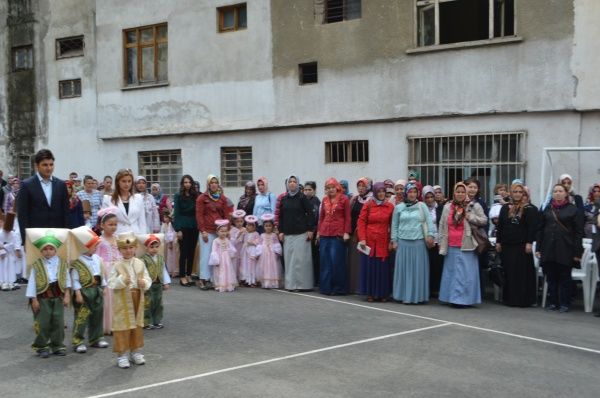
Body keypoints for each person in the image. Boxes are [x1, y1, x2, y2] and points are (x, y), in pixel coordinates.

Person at [438, 182, 488, 308]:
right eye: (458, 191)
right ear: (454, 193)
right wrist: (440, 241)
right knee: (451, 273)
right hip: (450, 244)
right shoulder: (447, 207)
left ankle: (463, 300)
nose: (460, 194)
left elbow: (484, 220)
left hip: (467, 244)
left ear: (466, 193)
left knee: (465, 274)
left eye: (462, 192)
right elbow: (442, 224)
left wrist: (469, 216)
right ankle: (451, 298)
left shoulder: (473, 205)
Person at [536, 184, 584, 313]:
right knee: (551, 277)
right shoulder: (547, 209)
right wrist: (538, 248)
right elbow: (540, 229)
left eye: (560, 191)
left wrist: (577, 252)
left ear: (566, 194)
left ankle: (564, 303)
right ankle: (553, 302)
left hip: (565, 249)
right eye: (555, 191)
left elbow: (579, 233)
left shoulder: (573, 210)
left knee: (564, 277)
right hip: (548, 248)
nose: (557, 193)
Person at [107, 232, 152, 369]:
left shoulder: (140, 263)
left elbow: (147, 278)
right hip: (123, 301)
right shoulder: (116, 265)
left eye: (131, 247)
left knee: (137, 325)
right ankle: (122, 355)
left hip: (137, 297)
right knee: (123, 327)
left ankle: (135, 351)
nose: (128, 251)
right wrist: (121, 280)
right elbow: (110, 282)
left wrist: (144, 282)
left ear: (135, 248)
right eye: (125, 248)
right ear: (119, 250)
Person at [25, 228, 71, 358]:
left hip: (58, 297)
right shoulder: (37, 265)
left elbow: (67, 279)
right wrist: (33, 299)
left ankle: (57, 345)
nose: (48, 251)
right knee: (43, 322)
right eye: (45, 249)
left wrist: (67, 294)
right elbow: (32, 283)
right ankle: (42, 346)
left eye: (51, 249)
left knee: (58, 322)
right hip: (43, 298)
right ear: (41, 251)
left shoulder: (62, 263)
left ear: (56, 250)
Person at [495, 182, 539, 307]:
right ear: (511, 193)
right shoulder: (505, 208)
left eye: (520, 192)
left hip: (522, 245)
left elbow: (532, 228)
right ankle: (510, 299)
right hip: (507, 245)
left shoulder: (529, 209)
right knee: (509, 272)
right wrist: (498, 241)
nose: (518, 194)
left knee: (522, 273)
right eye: (515, 192)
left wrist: (529, 243)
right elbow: (501, 226)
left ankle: (523, 300)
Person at [391, 183, 435, 304]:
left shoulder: (422, 206)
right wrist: (394, 240)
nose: (412, 194)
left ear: (418, 193)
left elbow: (429, 222)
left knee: (417, 272)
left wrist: (431, 235)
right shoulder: (399, 207)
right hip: (403, 244)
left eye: (414, 192)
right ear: (406, 193)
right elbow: (394, 225)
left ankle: (417, 297)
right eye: (410, 192)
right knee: (403, 272)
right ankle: (403, 295)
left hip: (418, 243)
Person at [69, 226, 109, 353]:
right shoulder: (77, 262)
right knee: (82, 316)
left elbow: (100, 273)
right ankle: (78, 340)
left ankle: (96, 337)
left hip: (96, 290)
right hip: (84, 292)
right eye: (93, 246)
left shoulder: (97, 259)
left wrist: (104, 285)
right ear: (84, 246)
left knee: (97, 314)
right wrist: (77, 293)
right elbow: (75, 279)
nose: (96, 248)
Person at [17, 149, 69, 243]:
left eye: (51, 164)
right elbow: (22, 215)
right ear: (36, 166)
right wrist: (26, 240)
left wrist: (66, 235)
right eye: (45, 165)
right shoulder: (27, 185)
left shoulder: (61, 185)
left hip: (58, 236)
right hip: (36, 237)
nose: (49, 168)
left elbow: (66, 212)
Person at [357, 182, 394, 302]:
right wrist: (362, 238)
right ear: (375, 193)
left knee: (382, 268)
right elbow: (361, 222)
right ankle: (370, 293)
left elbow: (393, 225)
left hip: (383, 240)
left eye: (383, 191)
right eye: (379, 192)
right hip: (369, 241)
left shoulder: (390, 207)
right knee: (370, 267)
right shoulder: (368, 205)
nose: (381, 194)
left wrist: (391, 241)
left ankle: (383, 294)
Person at [278, 176, 315, 291]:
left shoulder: (302, 197)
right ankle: (290, 285)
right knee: (289, 261)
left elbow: (311, 213)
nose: (292, 183)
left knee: (300, 261)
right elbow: (281, 216)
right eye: (290, 181)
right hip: (288, 234)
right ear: (287, 184)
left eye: (295, 182)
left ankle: (302, 285)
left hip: (301, 233)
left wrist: (310, 229)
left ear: (298, 184)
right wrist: (281, 231)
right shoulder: (284, 199)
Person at [196, 175, 232, 290]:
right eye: (211, 182)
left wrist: (227, 229)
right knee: (206, 256)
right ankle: (203, 279)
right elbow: (199, 215)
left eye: (216, 182)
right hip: (207, 231)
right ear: (208, 184)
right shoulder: (202, 198)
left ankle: (214, 279)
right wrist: (203, 231)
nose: (214, 184)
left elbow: (226, 215)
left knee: (217, 256)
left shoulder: (222, 198)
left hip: (219, 232)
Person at [317, 178, 351, 296]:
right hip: (325, 234)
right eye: (328, 188)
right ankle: (326, 287)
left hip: (338, 234)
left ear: (337, 187)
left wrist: (347, 232)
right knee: (325, 262)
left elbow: (347, 217)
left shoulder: (344, 199)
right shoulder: (324, 199)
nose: (330, 190)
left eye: (332, 187)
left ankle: (339, 288)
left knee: (336, 262)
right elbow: (321, 218)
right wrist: (318, 232)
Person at [95, 207, 121, 335]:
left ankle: (117, 324)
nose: (113, 227)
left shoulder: (117, 238)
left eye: (115, 224)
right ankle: (107, 325)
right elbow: (96, 258)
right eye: (110, 224)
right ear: (102, 225)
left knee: (117, 298)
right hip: (105, 270)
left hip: (117, 270)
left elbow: (119, 253)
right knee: (107, 298)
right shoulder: (99, 241)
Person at [138, 234, 171, 329]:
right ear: (146, 247)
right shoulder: (143, 259)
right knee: (148, 303)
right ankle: (147, 321)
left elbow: (164, 270)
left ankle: (157, 320)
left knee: (158, 303)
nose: (154, 249)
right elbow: (141, 272)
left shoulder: (160, 258)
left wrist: (166, 282)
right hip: (149, 285)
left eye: (156, 247)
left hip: (158, 284)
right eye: (151, 247)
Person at [101, 169, 147, 235]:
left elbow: (142, 221)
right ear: (118, 182)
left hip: (136, 235)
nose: (127, 184)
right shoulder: (108, 199)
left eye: (129, 181)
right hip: (117, 237)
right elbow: (105, 222)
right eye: (123, 181)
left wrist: (143, 238)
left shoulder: (138, 198)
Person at [173, 175, 198, 287]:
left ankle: (188, 274)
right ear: (182, 184)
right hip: (183, 226)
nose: (187, 184)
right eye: (185, 182)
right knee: (184, 252)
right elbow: (176, 213)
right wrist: (178, 229)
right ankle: (182, 276)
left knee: (191, 251)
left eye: (189, 182)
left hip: (194, 226)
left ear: (192, 183)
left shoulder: (195, 195)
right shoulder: (178, 195)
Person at [348, 177, 372, 294]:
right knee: (354, 261)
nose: (361, 188)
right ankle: (354, 286)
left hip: (365, 236)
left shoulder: (371, 200)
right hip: (354, 235)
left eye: (363, 186)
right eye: (359, 186)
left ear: (368, 187)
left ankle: (363, 286)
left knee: (363, 260)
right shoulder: (354, 199)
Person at [422, 185, 443, 297]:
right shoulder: (421, 208)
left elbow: (443, 225)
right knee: (426, 265)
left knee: (437, 264)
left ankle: (436, 289)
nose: (429, 199)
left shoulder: (440, 208)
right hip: (425, 240)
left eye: (431, 197)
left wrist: (440, 241)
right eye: (427, 197)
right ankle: (427, 288)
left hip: (437, 240)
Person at [208, 220, 238, 292]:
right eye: (221, 231)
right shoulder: (216, 241)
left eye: (225, 231)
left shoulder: (227, 240)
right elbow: (214, 251)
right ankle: (219, 284)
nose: (223, 233)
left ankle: (227, 284)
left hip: (226, 258)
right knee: (219, 271)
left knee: (227, 270)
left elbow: (230, 248)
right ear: (217, 232)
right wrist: (216, 260)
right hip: (219, 258)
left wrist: (232, 253)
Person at [257, 214, 283, 289]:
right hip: (264, 255)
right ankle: (266, 282)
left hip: (272, 254)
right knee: (265, 267)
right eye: (266, 226)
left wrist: (276, 252)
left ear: (272, 227)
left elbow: (277, 244)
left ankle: (273, 283)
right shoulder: (262, 235)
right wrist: (258, 253)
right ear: (264, 227)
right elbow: (259, 244)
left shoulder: (274, 235)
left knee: (273, 267)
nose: (268, 227)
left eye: (269, 226)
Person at [303, 181, 321, 286]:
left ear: (314, 190)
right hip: (303, 233)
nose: (307, 192)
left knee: (314, 257)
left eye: (309, 190)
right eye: (305, 190)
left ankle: (316, 280)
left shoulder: (316, 202)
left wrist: (316, 232)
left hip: (314, 233)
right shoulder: (302, 201)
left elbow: (318, 219)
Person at [0, 212, 22, 290]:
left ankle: (11, 281)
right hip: (3, 255)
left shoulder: (13, 233)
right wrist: (2, 250)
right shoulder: (1, 233)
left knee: (11, 267)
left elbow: (16, 242)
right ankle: (3, 282)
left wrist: (17, 250)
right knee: (3, 267)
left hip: (10, 253)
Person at [239, 215, 260, 287]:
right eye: (247, 225)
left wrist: (252, 243)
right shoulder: (245, 233)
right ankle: (245, 279)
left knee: (252, 265)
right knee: (245, 265)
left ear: (254, 227)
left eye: (250, 225)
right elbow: (240, 240)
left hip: (252, 250)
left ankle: (252, 280)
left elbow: (258, 241)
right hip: (245, 251)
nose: (247, 226)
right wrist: (241, 234)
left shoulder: (256, 234)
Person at [160, 210, 179, 278]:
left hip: (173, 242)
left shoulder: (171, 224)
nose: (165, 219)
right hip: (167, 242)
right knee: (169, 257)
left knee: (173, 257)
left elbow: (170, 234)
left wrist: (170, 243)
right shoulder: (164, 225)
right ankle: (170, 270)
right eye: (164, 217)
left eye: (166, 217)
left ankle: (174, 270)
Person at [229, 209, 246, 279]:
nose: (239, 223)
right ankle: (234, 277)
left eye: (241, 221)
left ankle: (241, 277)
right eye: (237, 222)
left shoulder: (245, 229)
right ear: (234, 222)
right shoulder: (233, 230)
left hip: (242, 248)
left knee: (242, 262)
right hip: (236, 248)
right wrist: (238, 234)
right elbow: (232, 241)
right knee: (235, 262)